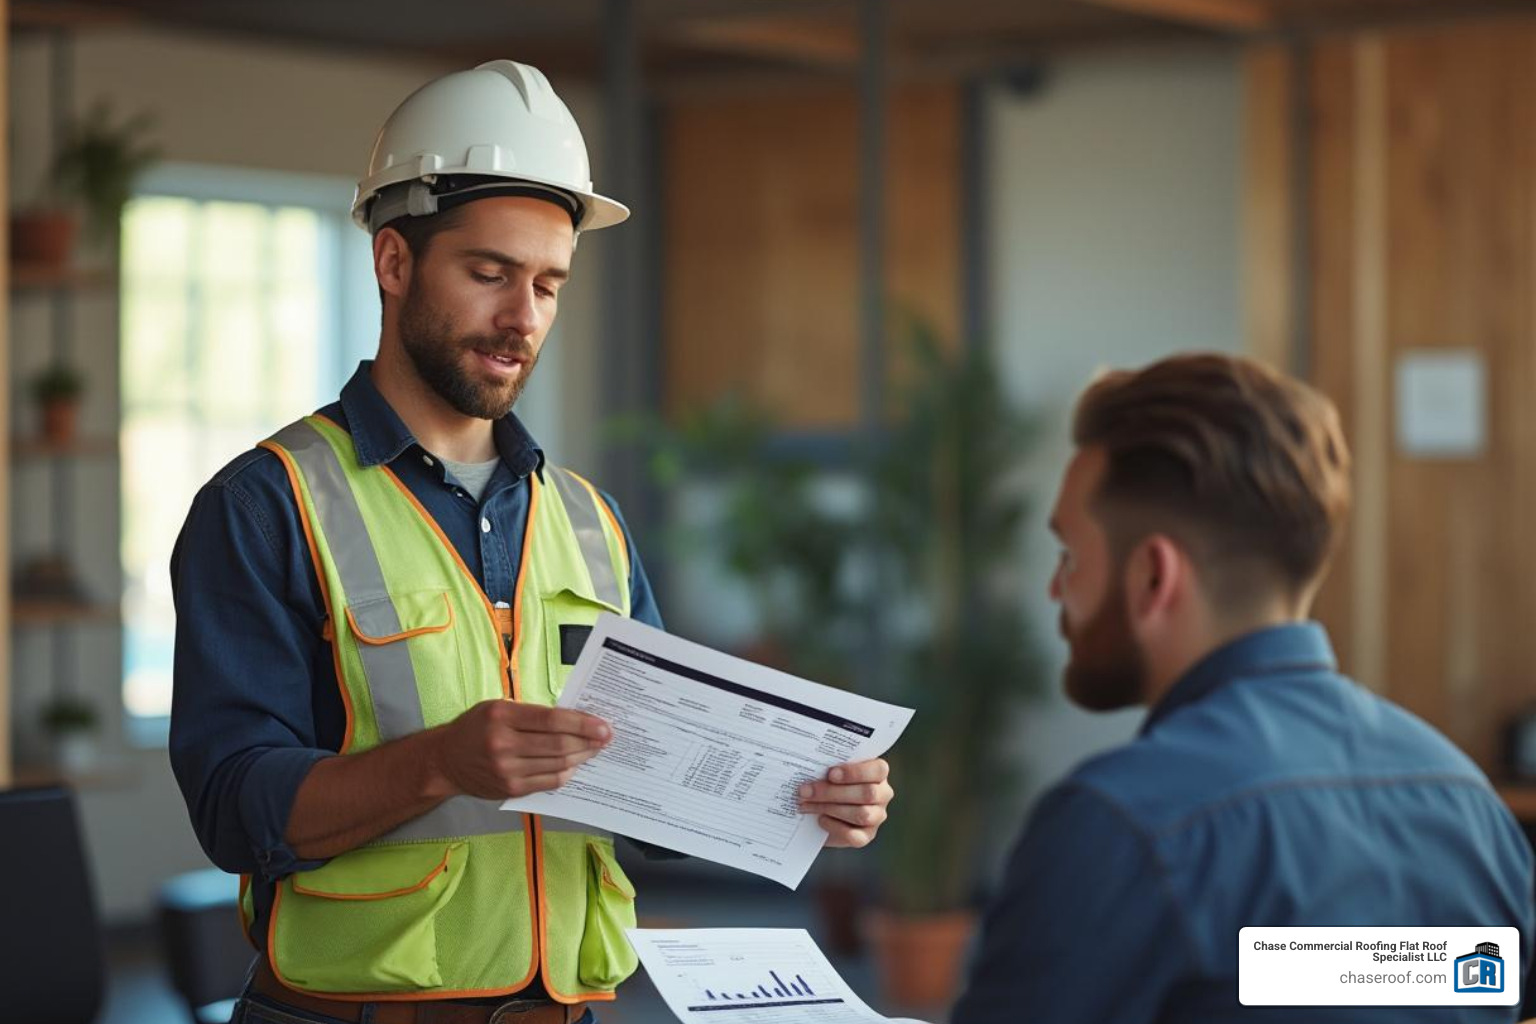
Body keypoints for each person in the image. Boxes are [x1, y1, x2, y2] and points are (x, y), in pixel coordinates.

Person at [169, 60, 894, 1024]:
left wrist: (796, 794)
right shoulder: (267, 505)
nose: (524, 318)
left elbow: (653, 786)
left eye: (549, 285)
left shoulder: (589, 521)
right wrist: (440, 762)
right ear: (393, 263)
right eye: (490, 274)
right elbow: (233, 808)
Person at [950, 353, 1534, 1023]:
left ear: (1152, 578)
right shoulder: (1471, 808)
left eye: (1069, 557)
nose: (1057, 590)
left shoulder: (1119, 826)